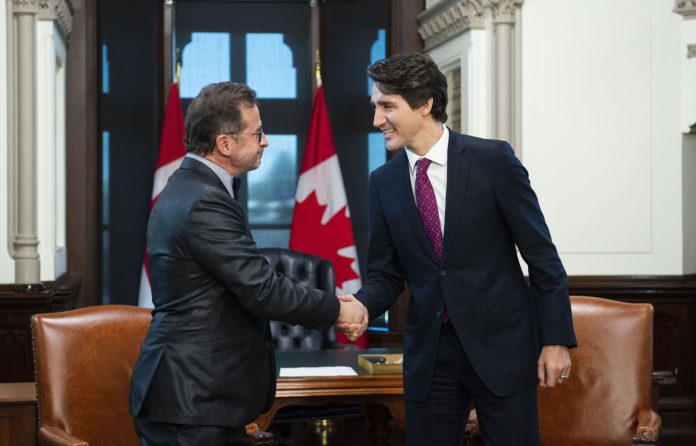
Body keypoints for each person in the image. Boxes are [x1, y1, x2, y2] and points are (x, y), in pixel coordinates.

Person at [340, 53, 577, 445]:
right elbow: (385, 274)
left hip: (502, 347)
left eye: (387, 106)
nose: (376, 120)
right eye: (375, 107)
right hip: (431, 356)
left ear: (425, 104)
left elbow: (542, 258)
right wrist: (363, 304)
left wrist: (556, 340)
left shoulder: (493, 160)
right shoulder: (382, 182)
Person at [129, 82, 367, 446]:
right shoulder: (204, 200)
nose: (266, 141)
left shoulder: (192, 188)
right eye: (257, 133)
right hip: (192, 402)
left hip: (198, 398)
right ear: (225, 144)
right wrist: (337, 309)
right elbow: (263, 289)